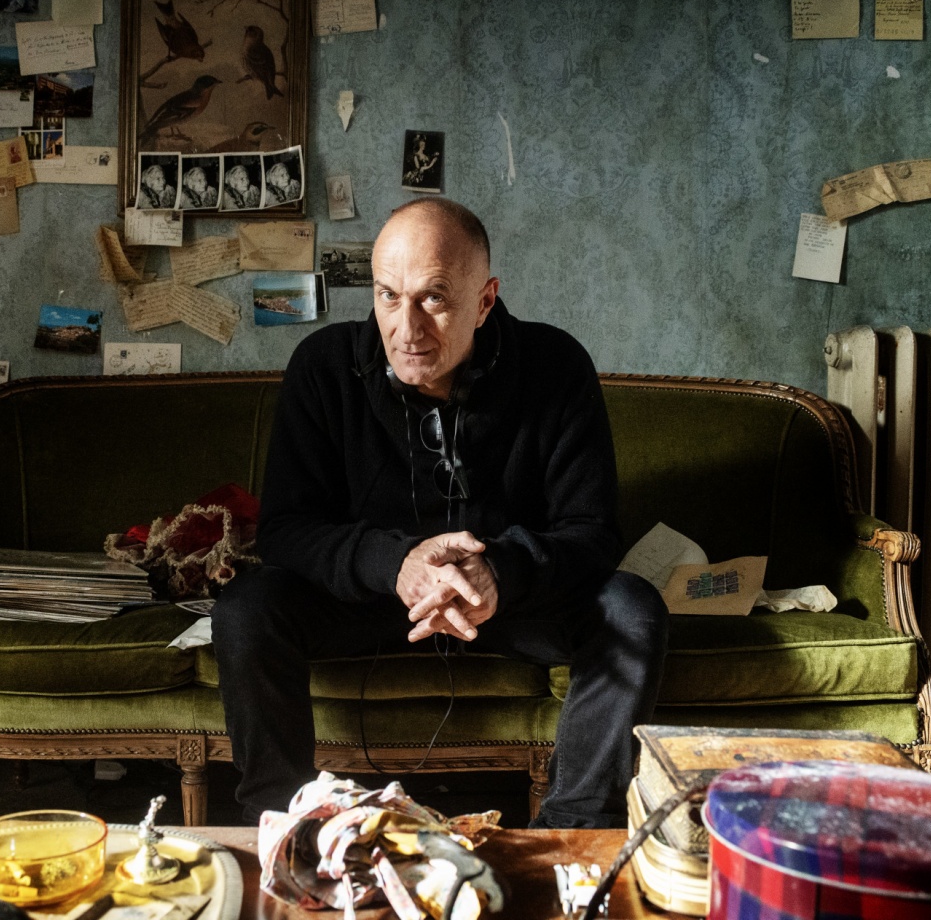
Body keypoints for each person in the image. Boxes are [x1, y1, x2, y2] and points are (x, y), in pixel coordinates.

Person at [213, 197, 669, 828]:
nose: (406, 328)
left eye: (433, 298)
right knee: (246, 607)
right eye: (388, 296)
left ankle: (572, 833)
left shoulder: (556, 364)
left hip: (507, 605)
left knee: (631, 608)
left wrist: (499, 571)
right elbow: (287, 531)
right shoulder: (323, 366)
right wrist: (395, 563)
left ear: (484, 301)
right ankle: (282, 826)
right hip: (371, 600)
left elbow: (592, 532)